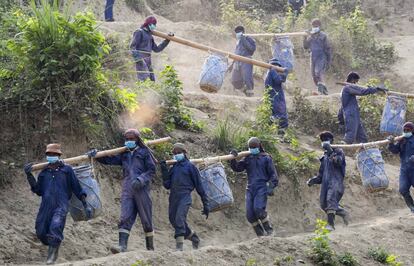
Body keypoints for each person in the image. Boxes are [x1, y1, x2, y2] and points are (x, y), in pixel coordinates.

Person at [88, 129, 156, 252]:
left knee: (146, 219)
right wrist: (97, 156)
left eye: (132, 139)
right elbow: (109, 160)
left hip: (142, 190)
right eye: (127, 139)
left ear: (137, 140)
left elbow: (151, 170)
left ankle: (150, 248)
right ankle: (122, 246)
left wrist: (141, 180)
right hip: (127, 189)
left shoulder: (144, 152)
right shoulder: (124, 154)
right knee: (125, 217)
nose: (129, 141)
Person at [24, 144, 92, 265]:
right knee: (40, 232)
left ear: (59, 155)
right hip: (46, 206)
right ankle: (54, 245)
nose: (51, 156)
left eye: (54, 154)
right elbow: (38, 191)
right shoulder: (44, 173)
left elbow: (77, 187)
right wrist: (29, 176)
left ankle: (51, 258)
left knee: (55, 226)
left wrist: (85, 204)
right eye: (49, 154)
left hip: (61, 205)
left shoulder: (67, 170)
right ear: (46, 156)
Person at [160, 143, 209, 251]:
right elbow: (167, 185)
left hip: (185, 197)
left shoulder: (191, 167)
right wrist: (164, 170)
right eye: (175, 153)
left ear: (184, 153)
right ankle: (193, 237)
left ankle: (179, 248)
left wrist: (206, 204)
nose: (177, 155)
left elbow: (199, 186)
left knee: (179, 219)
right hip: (173, 197)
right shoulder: (173, 168)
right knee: (173, 219)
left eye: (179, 152)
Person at [229, 137, 278, 237]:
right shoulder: (248, 158)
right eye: (250, 147)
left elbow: (273, 175)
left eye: (254, 147)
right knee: (250, 215)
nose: (252, 149)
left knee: (258, 210)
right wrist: (232, 159)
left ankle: (270, 231)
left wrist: (271, 187)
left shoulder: (266, 158)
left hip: (262, 187)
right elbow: (237, 168)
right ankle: (260, 235)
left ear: (259, 146)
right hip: (250, 188)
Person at [307, 131, 348, 231]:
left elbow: (338, 162)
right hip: (326, 184)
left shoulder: (339, 151)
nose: (324, 142)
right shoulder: (324, 157)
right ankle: (342, 212)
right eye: (323, 140)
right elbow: (321, 175)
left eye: (326, 140)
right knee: (323, 204)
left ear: (331, 140)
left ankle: (330, 225)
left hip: (336, 182)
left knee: (330, 200)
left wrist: (331, 152)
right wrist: (314, 180)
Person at [339, 72, 387, 144]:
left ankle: (364, 152)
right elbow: (362, 92)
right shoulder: (348, 87)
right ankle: (342, 149)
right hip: (351, 115)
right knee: (350, 136)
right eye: (356, 81)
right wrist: (376, 89)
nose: (356, 83)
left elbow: (341, 108)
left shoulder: (344, 90)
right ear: (352, 80)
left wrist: (341, 120)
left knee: (362, 137)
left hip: (354, 115)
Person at [130, 16, 173, 81]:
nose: (154, 26)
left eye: (155, 24)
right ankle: (142, 90)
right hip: (141, 57)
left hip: (148, 58)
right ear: (148, 24)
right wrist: (139, 60)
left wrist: (167, 40)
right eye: (154, 24)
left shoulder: (150, 36)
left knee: (151, 79)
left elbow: (157, 49)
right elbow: (132, 47)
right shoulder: (139, 32)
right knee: (144, 78)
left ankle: (150, 91)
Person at [388, 122, 414, 213]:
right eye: (404, 130)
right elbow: (395, 150)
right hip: (404, 170)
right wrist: (391, 143)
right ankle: (412, 207)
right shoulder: (401, 139)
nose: (406, 131)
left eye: (408, 130)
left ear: (412, 130)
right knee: (403, 189)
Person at [303, 19, 331, 95]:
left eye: (316, 26)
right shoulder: (310, 36)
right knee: (314, 76)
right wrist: (304, 38)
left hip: (321, 56)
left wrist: (328, 61)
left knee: (318, 72)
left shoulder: (323, 36)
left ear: (319, 26)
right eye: (313, 26)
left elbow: (327, 49)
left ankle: (322, 90)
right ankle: (323, 90)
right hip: (312, 56)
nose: (314, 27)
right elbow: (305, 47)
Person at [230, 25, 257, 97]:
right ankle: (244, 90)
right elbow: (236, 53)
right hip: (237, 61)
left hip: (246, 60)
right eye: (236, 32)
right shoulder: (238, 42)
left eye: (239, 32)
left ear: (243, 32)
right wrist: (232, 64)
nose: (237, 34)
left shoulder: (249, 39)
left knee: (247, 77)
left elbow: (252, 50)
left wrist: (244, 39)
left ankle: (250, 93)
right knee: (234, 80)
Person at [265, 58, 289, 134]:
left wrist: (284, 74)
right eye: (276, 65)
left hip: (277, 97)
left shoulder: (271, 72)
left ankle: (279, 134)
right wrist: (284, 73)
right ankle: (269, 130)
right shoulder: (271, 72)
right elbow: (278, 80)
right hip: (275, 98)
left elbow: (280, 80)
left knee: (279, 116)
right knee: (279, 116)